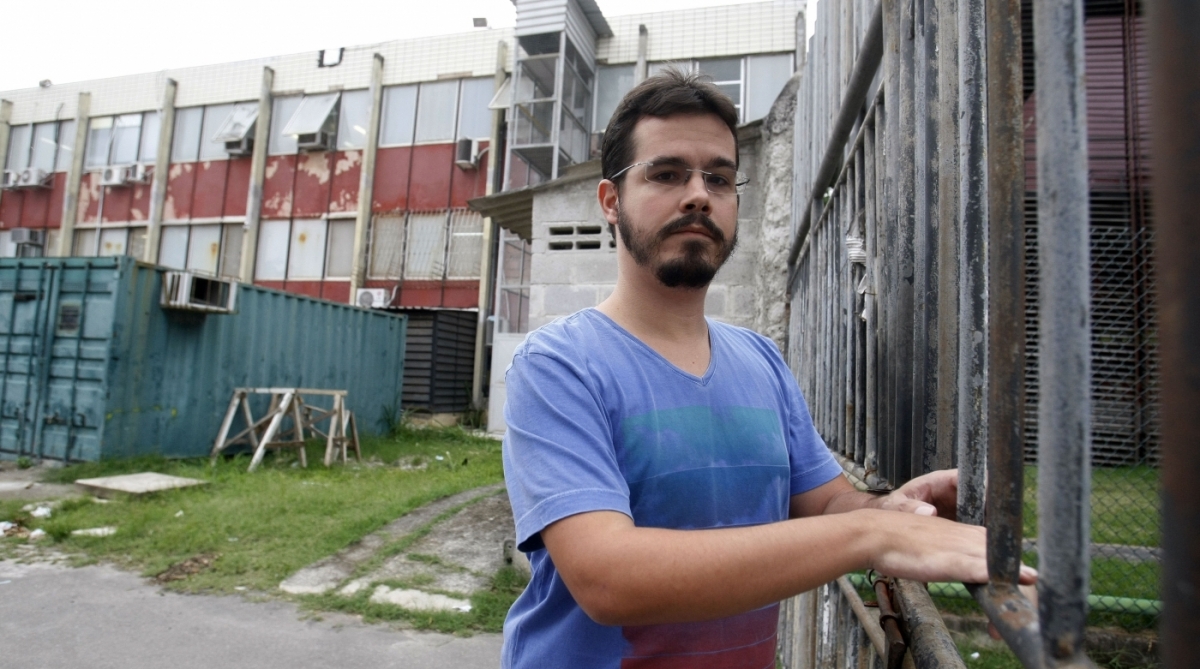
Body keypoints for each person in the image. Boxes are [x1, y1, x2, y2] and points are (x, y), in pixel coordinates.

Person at [500, 69, 1034, 668]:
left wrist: (894, 511)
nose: (699, 193)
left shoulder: (761, 361)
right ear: (610, 201)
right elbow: (608, 580)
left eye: (720, 178)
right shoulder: (556, 366)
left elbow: (828, 506)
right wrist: (874, 537)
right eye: (667, 173)